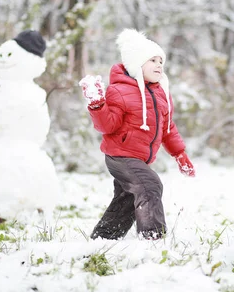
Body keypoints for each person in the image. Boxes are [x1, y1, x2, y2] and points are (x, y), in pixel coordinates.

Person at [79, 28, 195, 240]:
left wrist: (179, 153)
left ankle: (105, 236)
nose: (159, 64)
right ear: (136, 64)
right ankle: (153, 237)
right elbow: (108, 126)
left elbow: (168, 127)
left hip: (138, 158)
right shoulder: (119, 91)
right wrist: (97, 106)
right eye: (152, 60)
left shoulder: (161, 94)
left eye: (161, 60)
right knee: (149, 186)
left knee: (126, 198)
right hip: (120, 155)